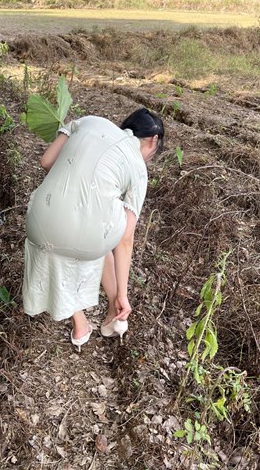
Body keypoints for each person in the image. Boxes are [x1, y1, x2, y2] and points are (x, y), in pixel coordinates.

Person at [22, 107, 164, 351]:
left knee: (60, 245)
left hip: (38, 223)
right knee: (102, 230)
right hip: (88, 240)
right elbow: (125, 239)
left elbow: (46, 161)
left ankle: (80, 324)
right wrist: (123, 294)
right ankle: (114, 307)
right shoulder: (139, 169)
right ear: (153, 140)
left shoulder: (88, 121)